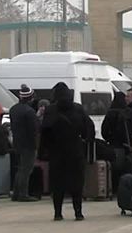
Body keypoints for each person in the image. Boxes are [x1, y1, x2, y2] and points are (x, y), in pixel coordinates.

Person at [40, 82, 93, 221]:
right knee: (77, 183)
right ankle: (78, 212)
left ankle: (58, 213)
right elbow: (88, 128)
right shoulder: (78, 109)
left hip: (57, 152)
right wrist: (85, 141)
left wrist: (44, 151)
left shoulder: (51, 110)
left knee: (57, 184)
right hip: (75, 150)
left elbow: (44, 132)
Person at [10, 85, 40, 201]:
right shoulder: (29, 112)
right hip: (28, 144)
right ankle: (23, 194)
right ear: (30, 98)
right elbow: (34, 130)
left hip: (17, 143)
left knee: (20, 169)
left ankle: (16, 193)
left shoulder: (13, 109)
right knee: (26, 170)